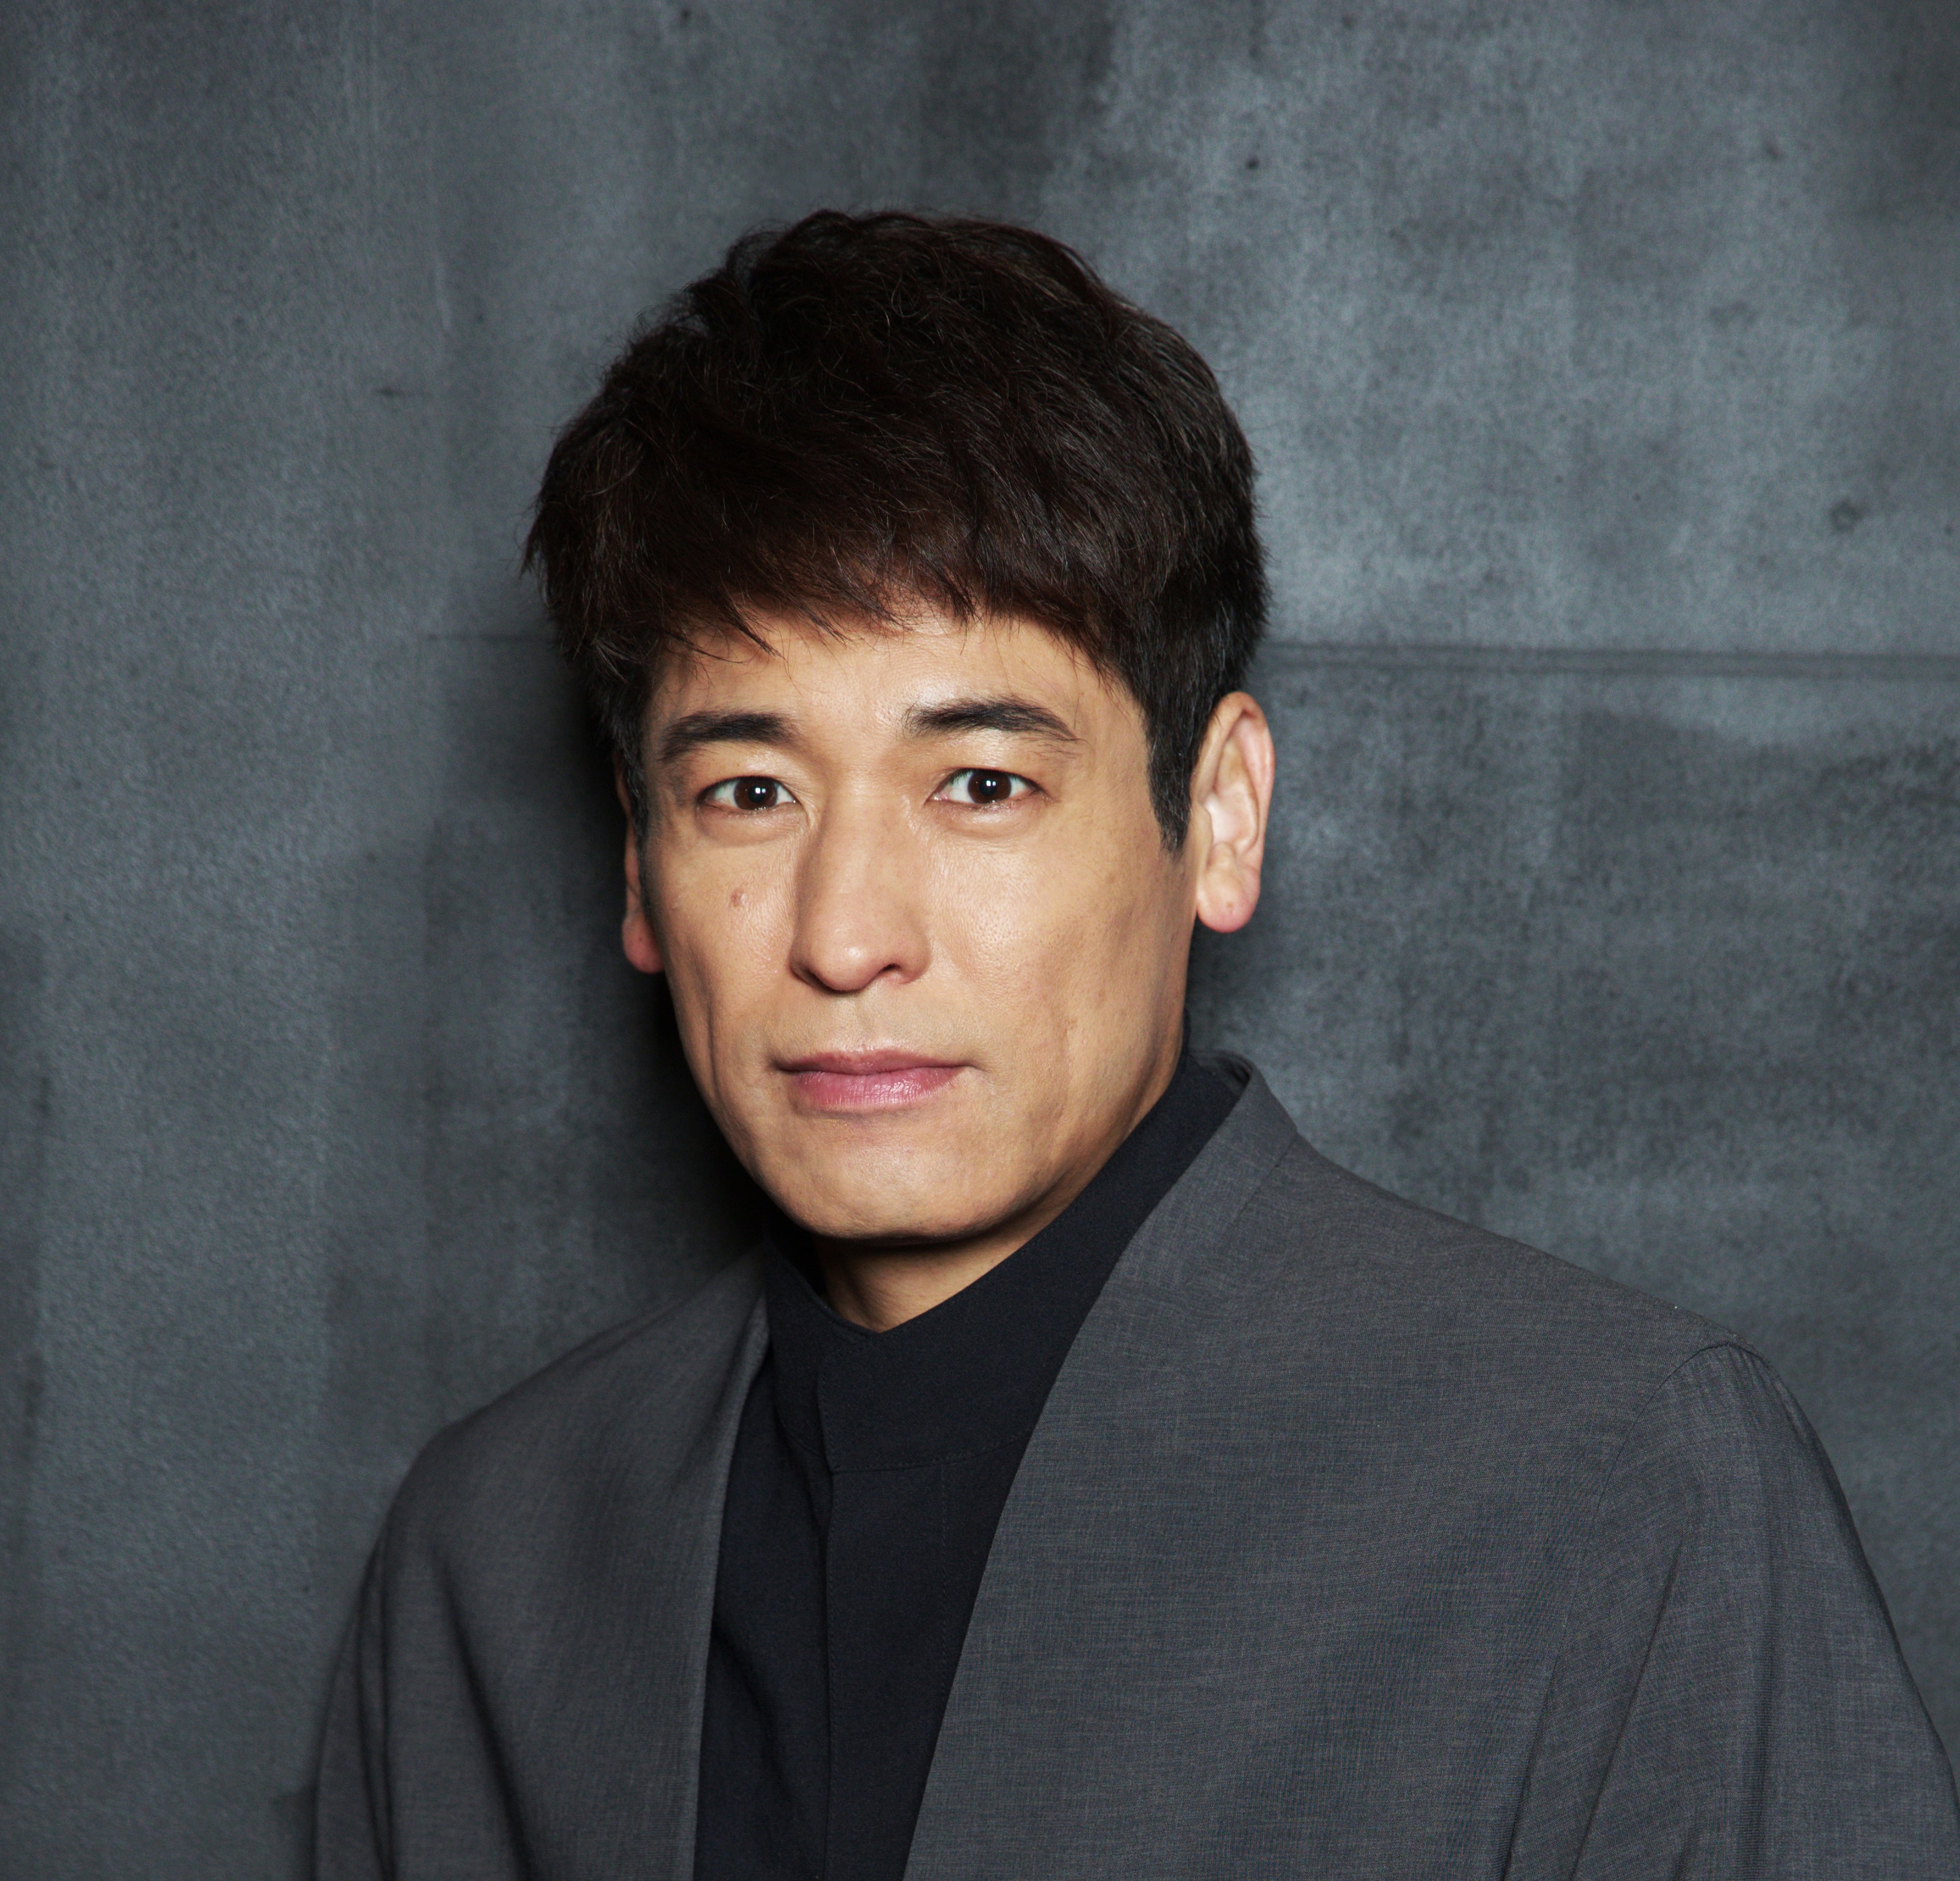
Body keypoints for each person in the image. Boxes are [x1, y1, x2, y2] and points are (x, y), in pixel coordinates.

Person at [315, 211, 1959, 1881]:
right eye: (748, 792)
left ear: (1219, 815)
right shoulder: (493, 1556)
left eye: (981, 785)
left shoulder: (1614, 1489)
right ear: (638, 862)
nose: (843, 935)